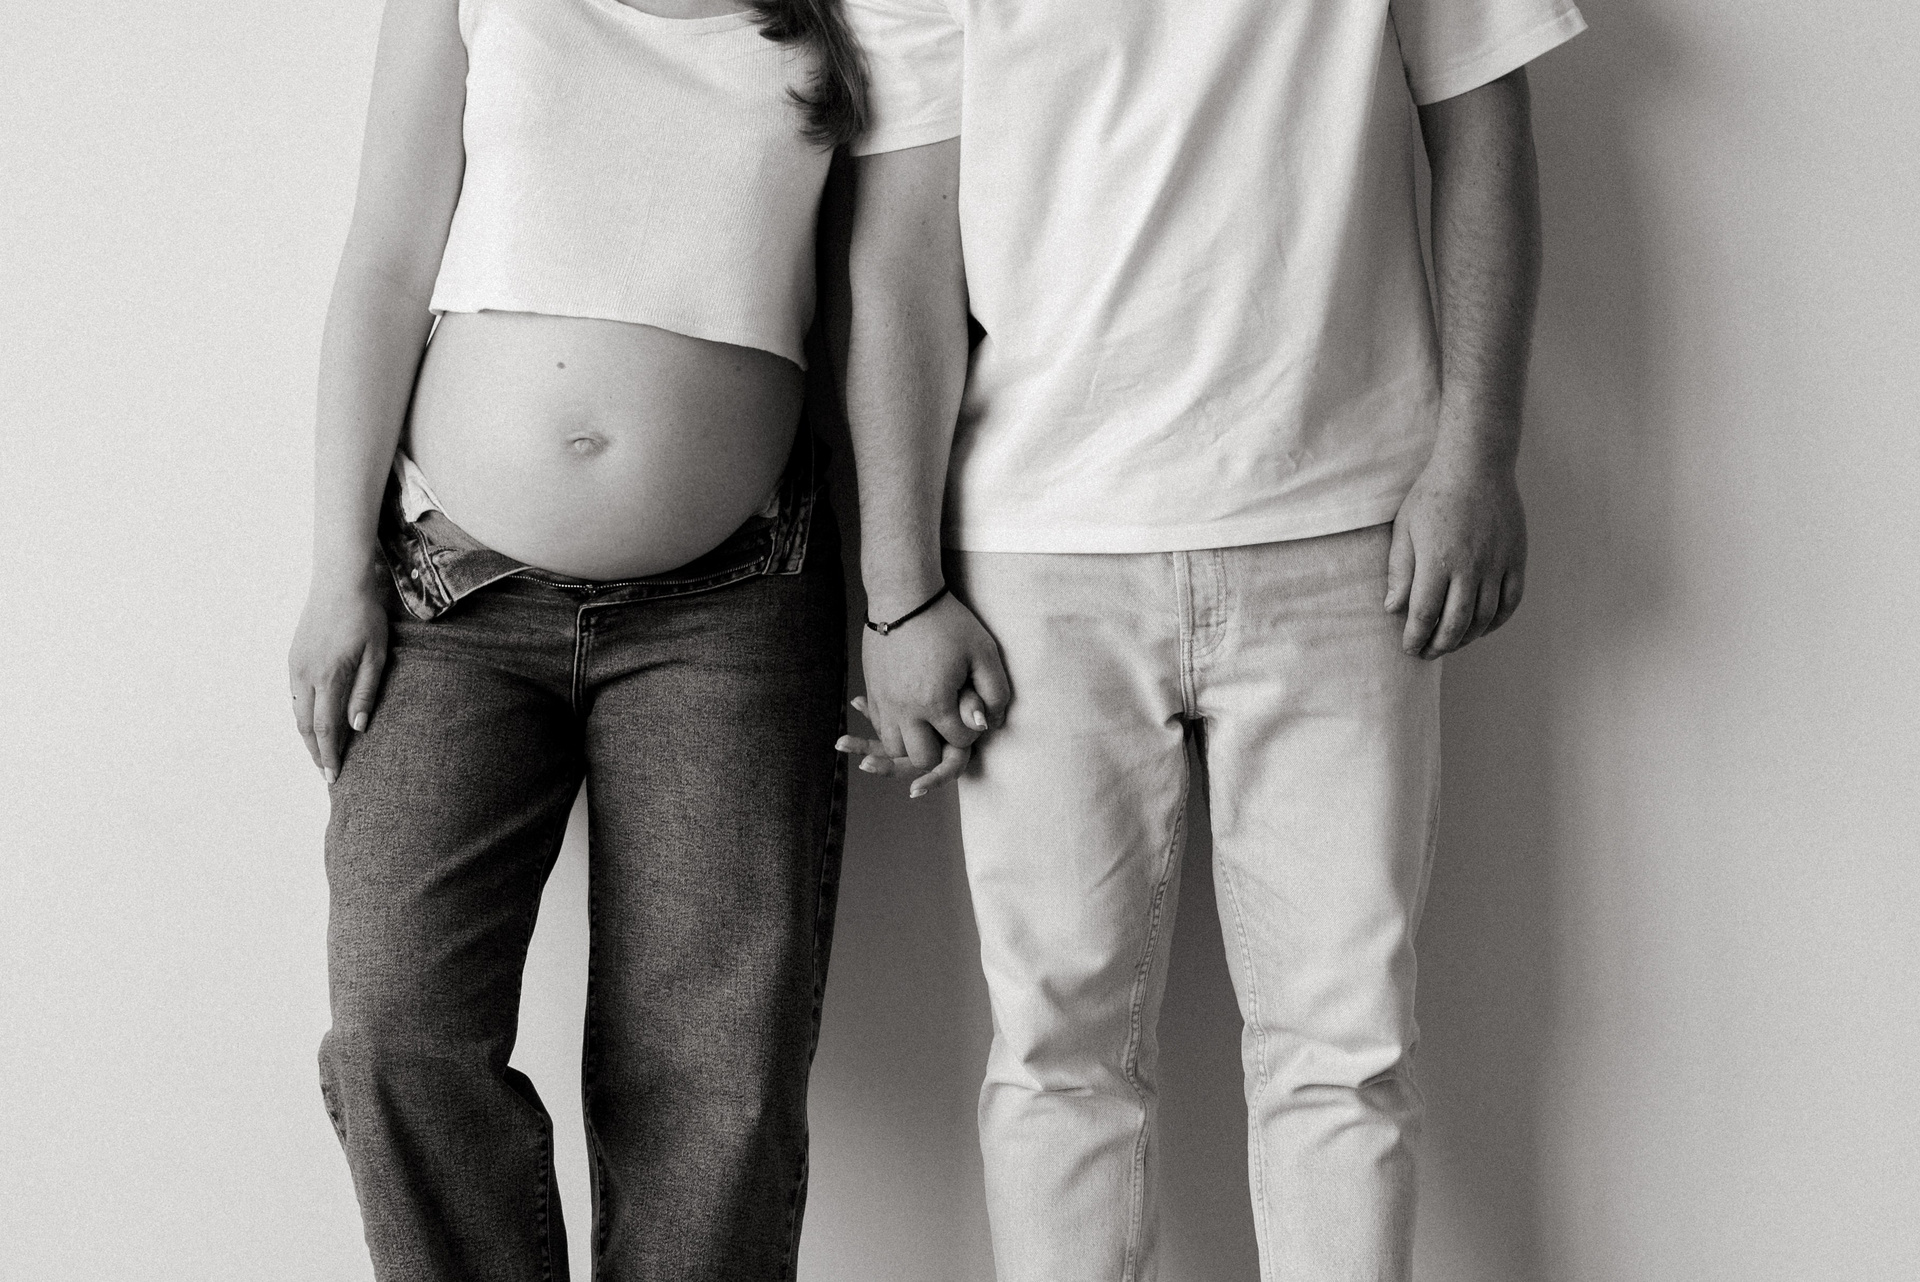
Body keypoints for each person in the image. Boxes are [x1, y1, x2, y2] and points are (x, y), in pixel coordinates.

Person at [833, 0, 1586, 1278]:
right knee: (1058, 1052)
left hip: (1346, 527)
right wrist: (897, 594)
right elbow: (902, 245)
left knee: (1345, 1050)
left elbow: (1483, 127)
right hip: (1040, 547)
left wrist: (1478, 454)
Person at [285, 0, 865, 1276]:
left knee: (714, 1074)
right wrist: (336, 567)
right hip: (451, 593)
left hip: (736, 597)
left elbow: (874, 296)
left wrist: (905, 591)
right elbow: (385, 259)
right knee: (396, 1027)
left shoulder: (844, 12)